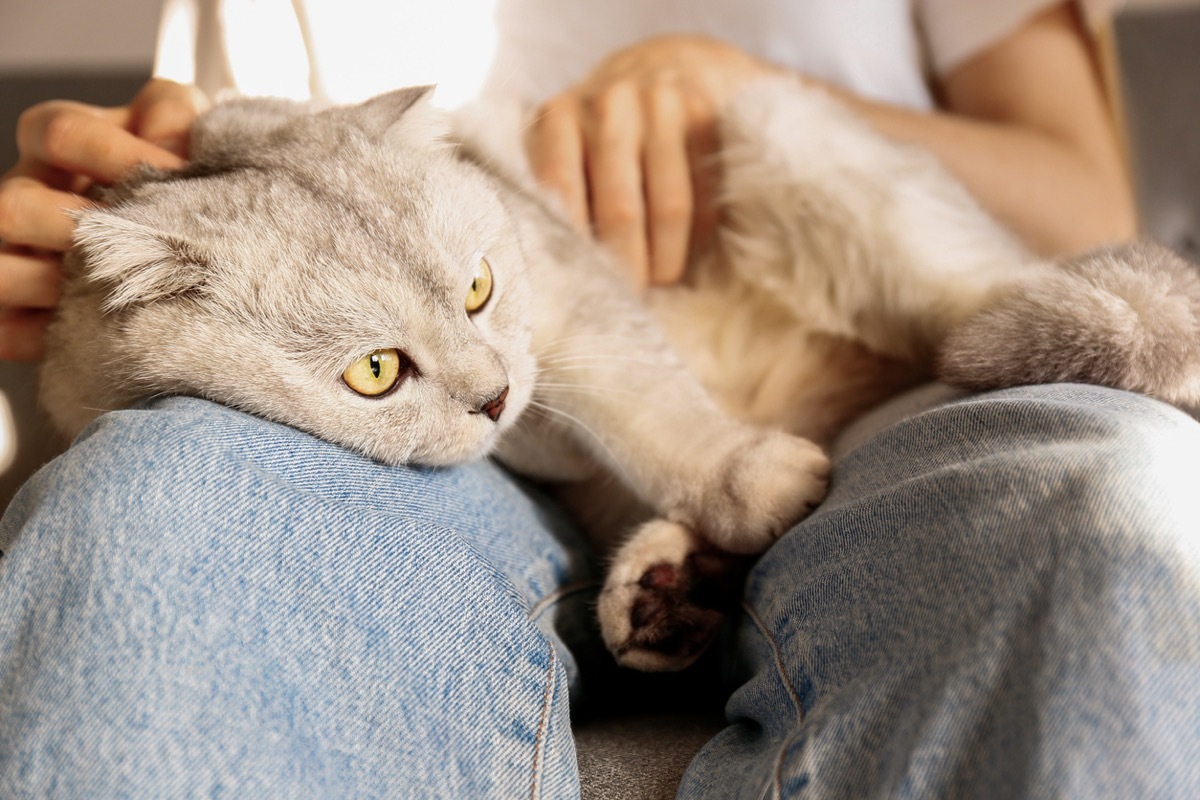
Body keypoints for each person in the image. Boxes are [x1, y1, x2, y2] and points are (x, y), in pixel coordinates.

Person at [0, 0, 1197, 797]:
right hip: (501, 458)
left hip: (891, 359)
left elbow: (1086, 210)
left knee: (1109, 498)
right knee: (150, 499)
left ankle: (715, 523)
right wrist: (89, 259)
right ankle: (697, 537)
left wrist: (730, 77)